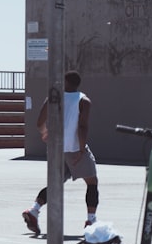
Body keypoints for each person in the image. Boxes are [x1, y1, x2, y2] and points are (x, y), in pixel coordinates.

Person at [22, 70, 100, 235]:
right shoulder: (84, 101)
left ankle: (34, 210)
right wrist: (81, 149)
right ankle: (91, 220)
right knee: (92, 182)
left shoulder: (53, 98)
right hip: (73, 148)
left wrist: (45, 133)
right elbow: (83, 126)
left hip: (56, 149)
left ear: (66, 82)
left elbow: (40, 122)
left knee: (55, 185)